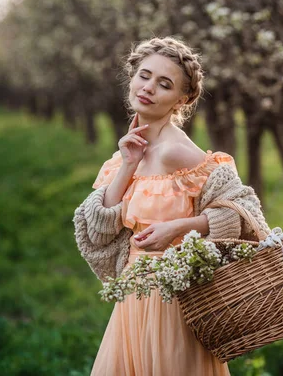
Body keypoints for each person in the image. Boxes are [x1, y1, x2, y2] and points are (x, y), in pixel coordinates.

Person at [81, 37, 269, 376]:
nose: (148, 88)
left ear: (181, 99)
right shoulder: (127, 150)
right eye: (144, 75)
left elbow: (245, 213)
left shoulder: (176, 151)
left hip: (174, 300)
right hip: (133, 296)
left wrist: (178, 229)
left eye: (164, 84)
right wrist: (127, 165)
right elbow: (99, 227)